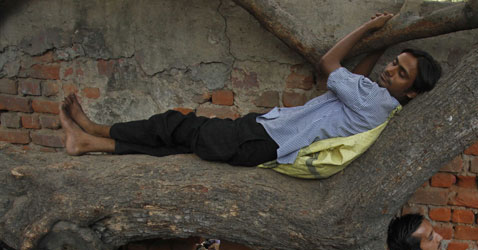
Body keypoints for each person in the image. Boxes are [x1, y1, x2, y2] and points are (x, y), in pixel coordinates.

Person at [59, 13, 442, 167]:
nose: (391, 71)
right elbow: (349, 81)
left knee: (177, 125)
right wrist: (376, 50)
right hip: (268, 135)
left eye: (402, 73)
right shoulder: (379, 104)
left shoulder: (375, 100)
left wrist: (368, 30)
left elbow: (329, 67)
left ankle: (95, 129)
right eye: (394, 62)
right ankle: (90, 145)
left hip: (265, 138)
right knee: (181, 148)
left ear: (411, 92)